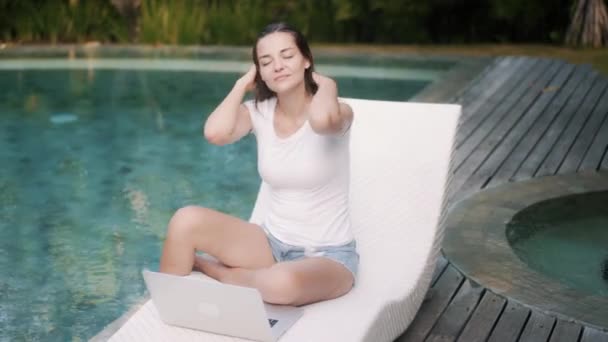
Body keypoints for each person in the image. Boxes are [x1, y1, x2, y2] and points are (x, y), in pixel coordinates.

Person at [159, 22, 358, 307]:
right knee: (185, 220)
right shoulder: (259, 114)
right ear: (259, 72)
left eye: (287, 56)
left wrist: (328, 83)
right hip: (270, 245)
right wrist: (241, 85)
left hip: (328, 256)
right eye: (266, 62)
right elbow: (214, 133)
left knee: (281, 283)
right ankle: (168, 312)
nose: (277, 66)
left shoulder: (340, 112)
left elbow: (322, 122)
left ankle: (213, 270)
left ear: (306, 59)